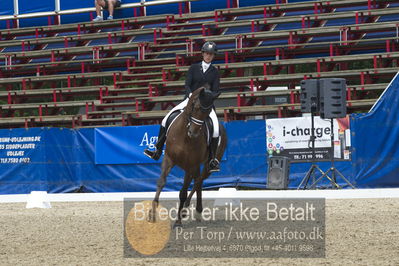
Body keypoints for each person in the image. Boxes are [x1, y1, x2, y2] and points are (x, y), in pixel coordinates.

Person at [144, 41, 221, 173]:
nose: (208, 56)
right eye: (207, 53)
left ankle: (212, 159)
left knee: (215, 128)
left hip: (205, 104)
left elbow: (215, 90)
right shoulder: (193, 68)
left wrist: (208, 98)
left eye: (211, 54)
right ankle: (157, 150)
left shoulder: (215, 72)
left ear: (213, 56)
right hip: (190, 100)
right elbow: (187, 84)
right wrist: (191, 95)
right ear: (203, 54)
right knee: (166, 119)